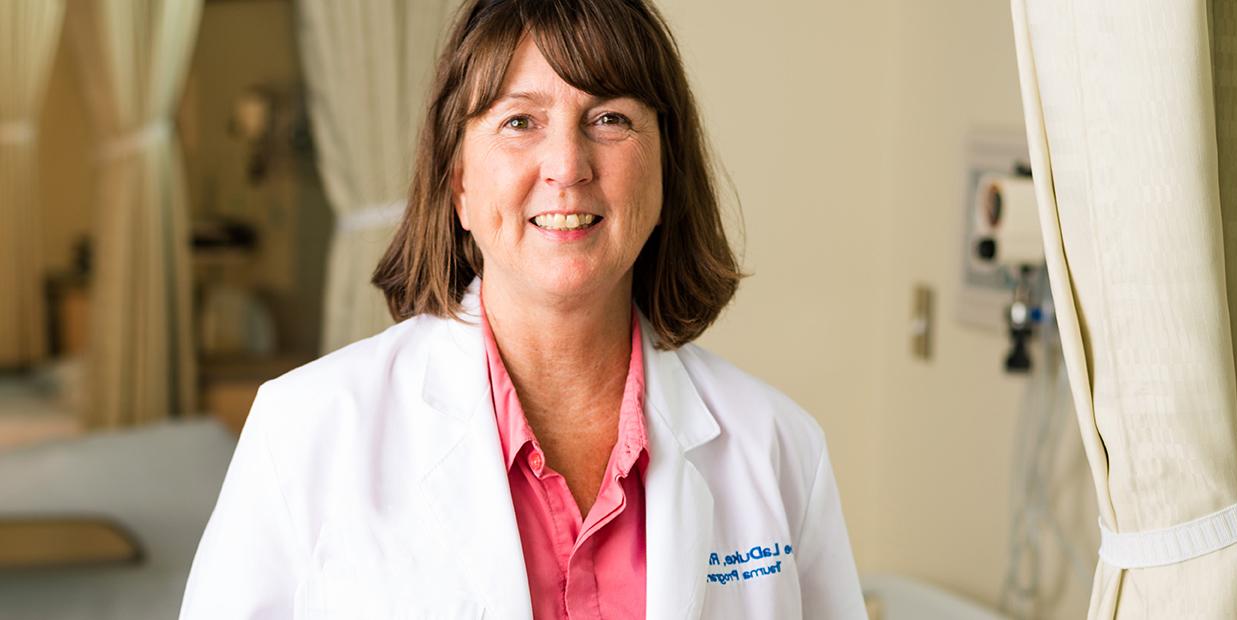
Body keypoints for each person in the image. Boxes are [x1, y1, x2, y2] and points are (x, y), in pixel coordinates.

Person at [179, 0, 865, 618]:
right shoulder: (306, 431)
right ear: (460, 185)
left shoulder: (776, 446)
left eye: (610, 119)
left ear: (665, 170)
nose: (567, 165)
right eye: (520, 121)